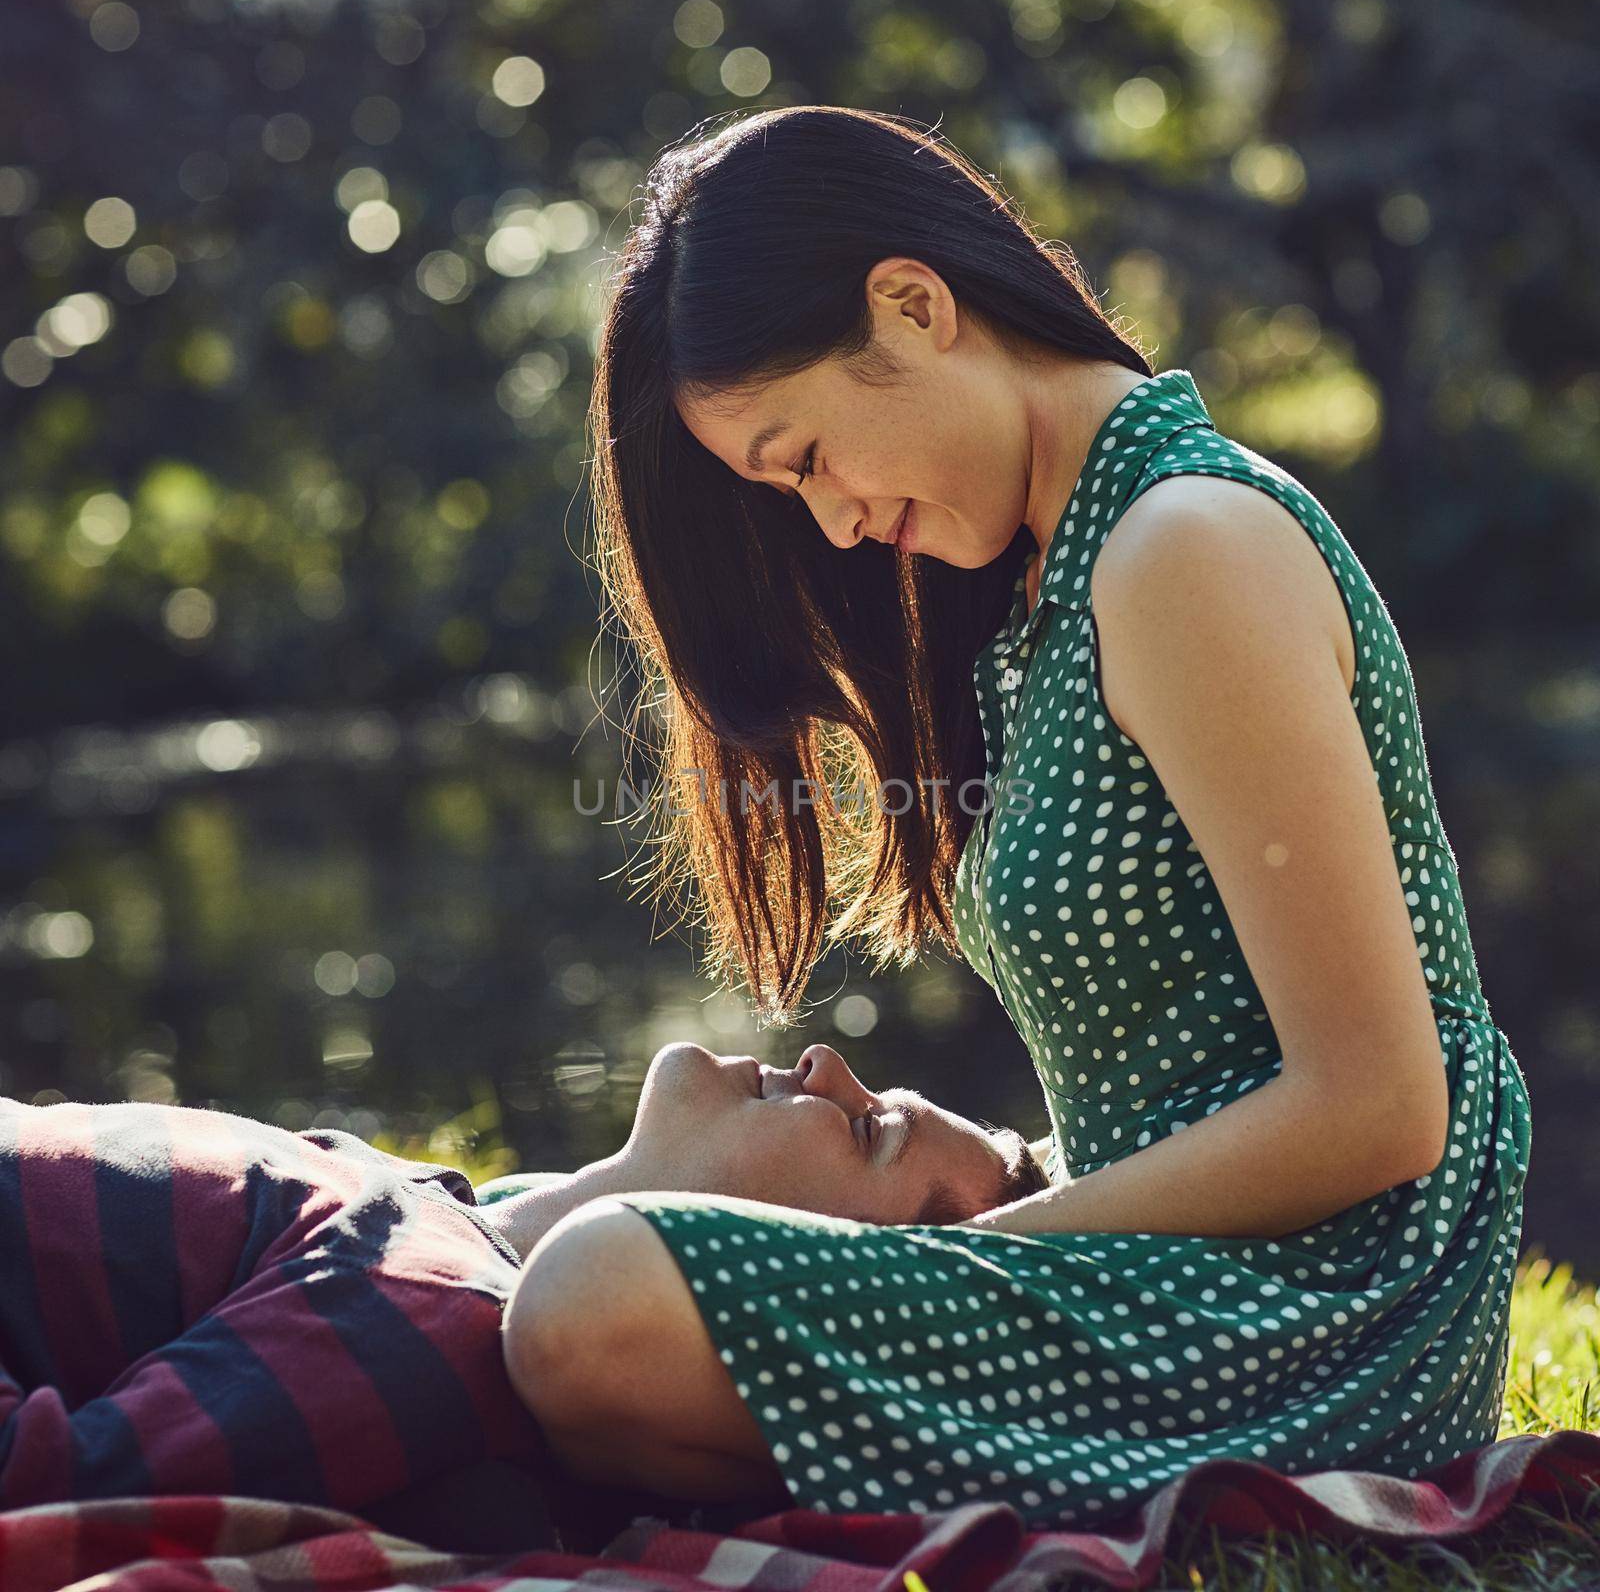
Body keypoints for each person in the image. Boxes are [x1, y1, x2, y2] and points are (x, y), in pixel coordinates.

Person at [504, 105, 1533, 1526]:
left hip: (1323, 1316)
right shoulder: (1047, 597)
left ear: (914, 306)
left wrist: (998, 1245)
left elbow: (1380, 1108)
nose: (837, 523)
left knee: (596, 1298)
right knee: (574, 1269)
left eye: (806, 458)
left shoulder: (1187, 547)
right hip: (1184, 1280)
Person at [0, 1044, 1041, 1517]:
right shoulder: (448, 1209)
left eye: (867, 1128)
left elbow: (61, 1496)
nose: (824, 1061)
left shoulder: (434, 1307)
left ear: (790, 1265)